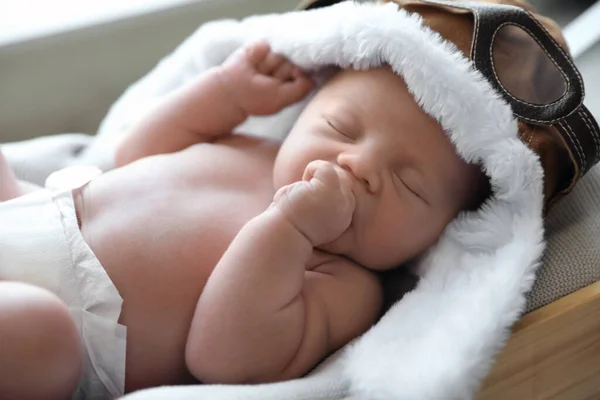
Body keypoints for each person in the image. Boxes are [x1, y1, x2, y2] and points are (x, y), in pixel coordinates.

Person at [0, 41, 485, 399]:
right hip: (27, 210)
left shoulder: (345, 285)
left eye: (409, 184)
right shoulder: (256, 149)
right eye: (340, 127)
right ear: (303, 116)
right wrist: (227, 93)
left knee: (43, 335)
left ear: (440, 232)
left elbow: (222, 358)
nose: (357, 164)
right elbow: (133, 154)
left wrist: (291, 227)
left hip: (66, 320)